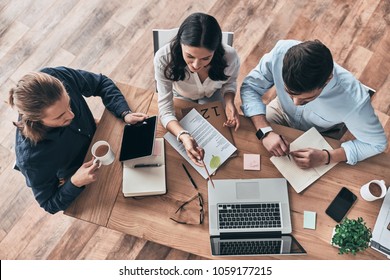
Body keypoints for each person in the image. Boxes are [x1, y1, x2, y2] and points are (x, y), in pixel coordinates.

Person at [8, 66, 148, 214]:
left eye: (68, 103)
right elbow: (49, 204)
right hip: (85, 175)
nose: (71, 115)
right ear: (36, 120)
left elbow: (101, 83)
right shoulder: (32, 159)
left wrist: (124, 112)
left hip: (103, 138)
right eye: (60, 116)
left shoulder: (54, 76)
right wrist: (75, 182)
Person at [240, 39, 387, 169]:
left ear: (328, 79)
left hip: (320, 132)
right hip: (280, 111)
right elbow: (250, 87)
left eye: (306, 99)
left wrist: (326, 157)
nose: (296, 103)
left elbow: (377, 144)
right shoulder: (280, 54)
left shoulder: (354, 102)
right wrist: (264, 131)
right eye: (290, 94)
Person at [154, 12, 241, 166]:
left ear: (216, 50)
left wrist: (229, 102)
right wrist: (183, 135)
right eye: (190, 56)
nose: (195, 65)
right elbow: (165, 111)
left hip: (214, 95)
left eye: (206, 58)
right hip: (181, 97)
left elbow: (230, 82)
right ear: (180, 43)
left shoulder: (230, 57)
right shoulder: (163, 59)